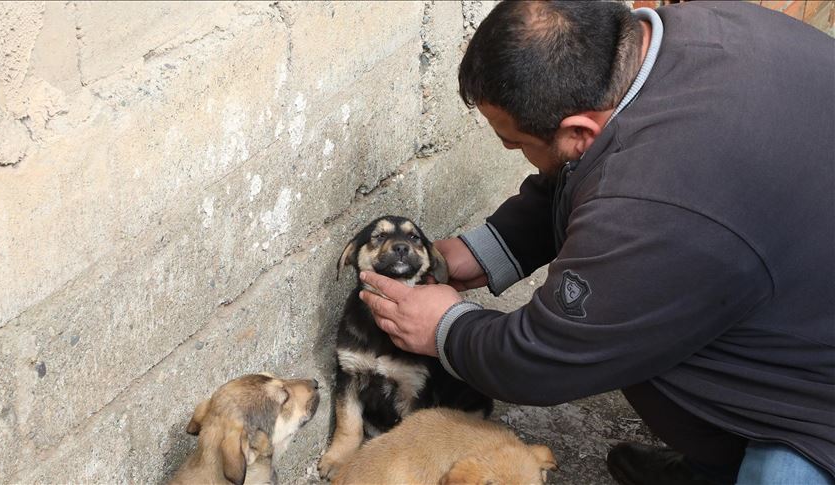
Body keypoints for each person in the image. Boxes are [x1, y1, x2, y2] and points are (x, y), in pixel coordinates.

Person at [357, 2, 834, 485]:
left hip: (822, 406)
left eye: (518, 144)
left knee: (780, 471)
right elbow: (590, 170)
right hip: (803, 296)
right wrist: (489, 248)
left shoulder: (663, 195)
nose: (522, 155)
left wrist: (446, 328)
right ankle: (716, 460)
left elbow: (551, 354)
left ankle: (738, 467)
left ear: (580, 129)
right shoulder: (682, 36)